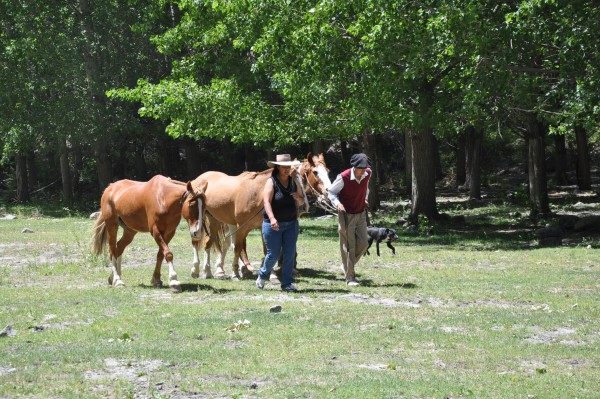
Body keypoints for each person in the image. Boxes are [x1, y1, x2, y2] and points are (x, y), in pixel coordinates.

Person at [256, 154, 305, 292]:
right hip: (273, 225)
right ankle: (263, 274)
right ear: (278, 167)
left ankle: (287, 283)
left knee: (289, 253)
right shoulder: (272, 182)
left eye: (288, 167)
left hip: (291, 223)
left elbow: (301, 201)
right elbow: (266, 202)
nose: (286, 170)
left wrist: (298, 195)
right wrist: (272, 218)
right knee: (273, 254)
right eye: (284, 167)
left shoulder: (293, 181)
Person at [327, 153, 371, 287]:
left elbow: (365, 187)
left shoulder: (368, 173)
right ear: (354, 166)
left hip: (361, 213)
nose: (363, 171)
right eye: (360, 168)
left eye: (365, 168)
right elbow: (331, 192)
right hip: (346, 214)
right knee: (349, 245)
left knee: (364, 243)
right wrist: (337, 203)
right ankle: (350, 278)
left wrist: (365, 197)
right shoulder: (344, 177)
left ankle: (347, 266)